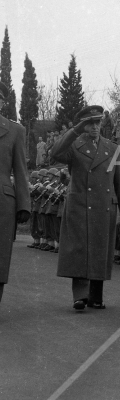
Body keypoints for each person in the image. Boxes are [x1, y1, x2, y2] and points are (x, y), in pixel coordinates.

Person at [51, 105, 120, 310]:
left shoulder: (114, 149)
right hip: (80, 204)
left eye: (98, 122)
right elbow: (56, 152)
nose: (95, 127)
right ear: (83, 125)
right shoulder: (74, 145)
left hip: (105, 205)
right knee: (80, 248)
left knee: (100, 249)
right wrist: (76, 130)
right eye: (90, 123)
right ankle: (80, 295)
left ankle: (96, 295)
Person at [0, 81, 31, 306]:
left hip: (2, 202)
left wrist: (24, 205)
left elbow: (21, 170)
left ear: (3, 102)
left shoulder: (15, 130)